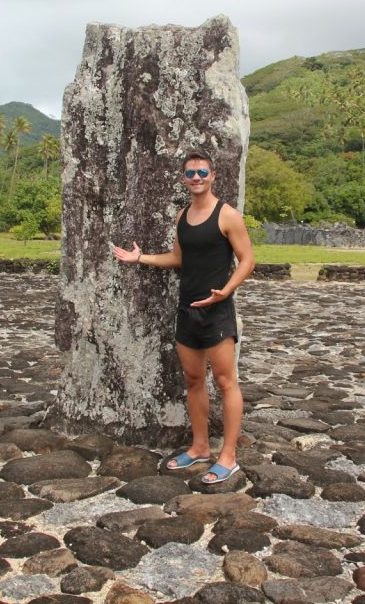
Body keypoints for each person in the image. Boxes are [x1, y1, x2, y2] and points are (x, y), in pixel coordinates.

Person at [111, 151, 255, 484]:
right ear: (184, 178)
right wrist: (140, 258)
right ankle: (200, 447)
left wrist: (226, 290)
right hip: (187, 309)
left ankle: (228, 456)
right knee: (193, 380)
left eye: (202, 171)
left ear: (213, 175)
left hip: (217, 311)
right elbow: (177, 258)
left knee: (225, 381)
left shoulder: (228, 216)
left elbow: (247, 260)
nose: (196, 177)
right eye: (190, 173)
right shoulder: (182, 216)